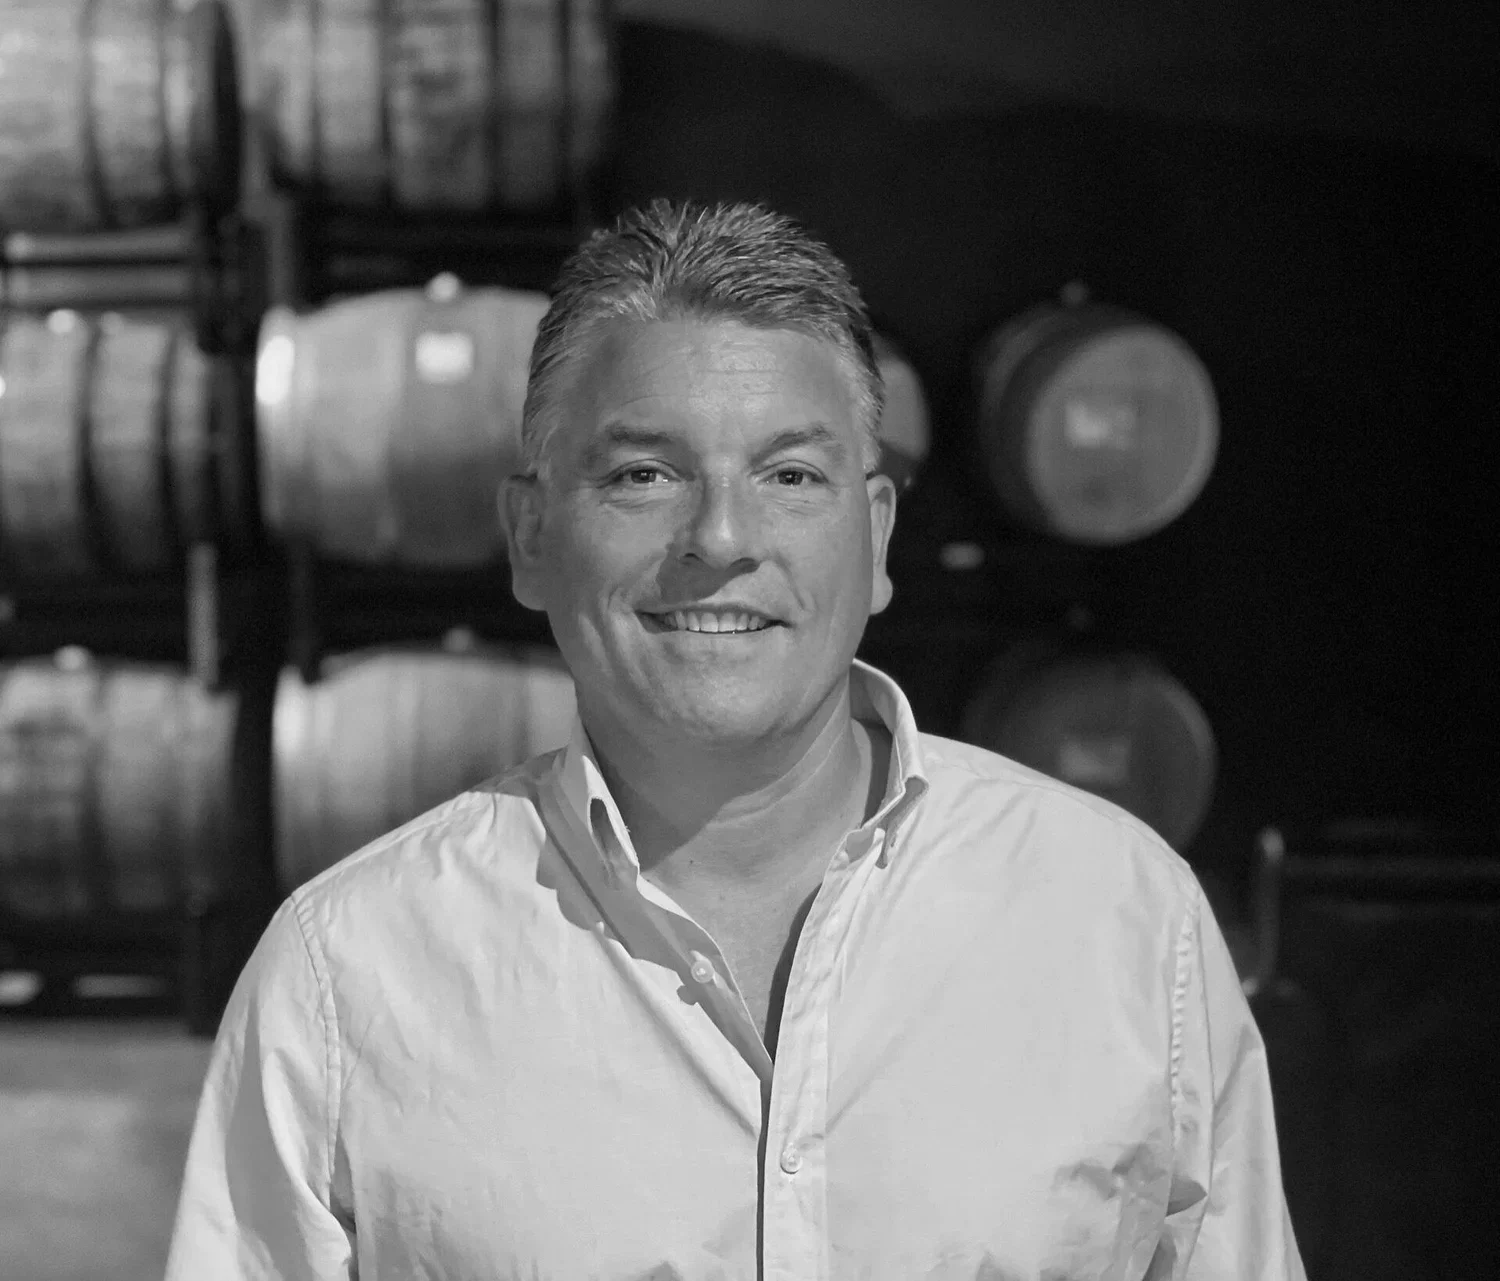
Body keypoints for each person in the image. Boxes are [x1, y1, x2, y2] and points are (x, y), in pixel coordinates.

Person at [165, 198, 1306, 1280]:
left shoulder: (1120, 919)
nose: (719, 536)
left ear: (876, 533)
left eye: (791, 475)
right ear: (529, 535)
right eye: (644, 475)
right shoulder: (347, 977)